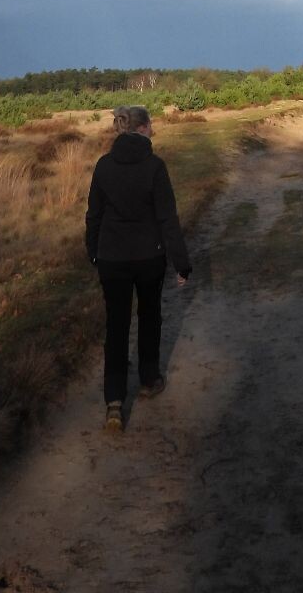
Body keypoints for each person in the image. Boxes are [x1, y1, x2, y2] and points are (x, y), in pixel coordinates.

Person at [85, 105, 191, 432]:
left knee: (116, 326)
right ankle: (148, 379)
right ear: (143, 128)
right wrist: (181, 263)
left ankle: (114, 402)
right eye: (152, 125)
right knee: (149, 317)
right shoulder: (155, 167)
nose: (154, 129)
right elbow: (167, 220)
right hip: (149, 259)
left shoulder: (103, 166)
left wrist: (93, 253)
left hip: (112, 260)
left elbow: (94, 216)